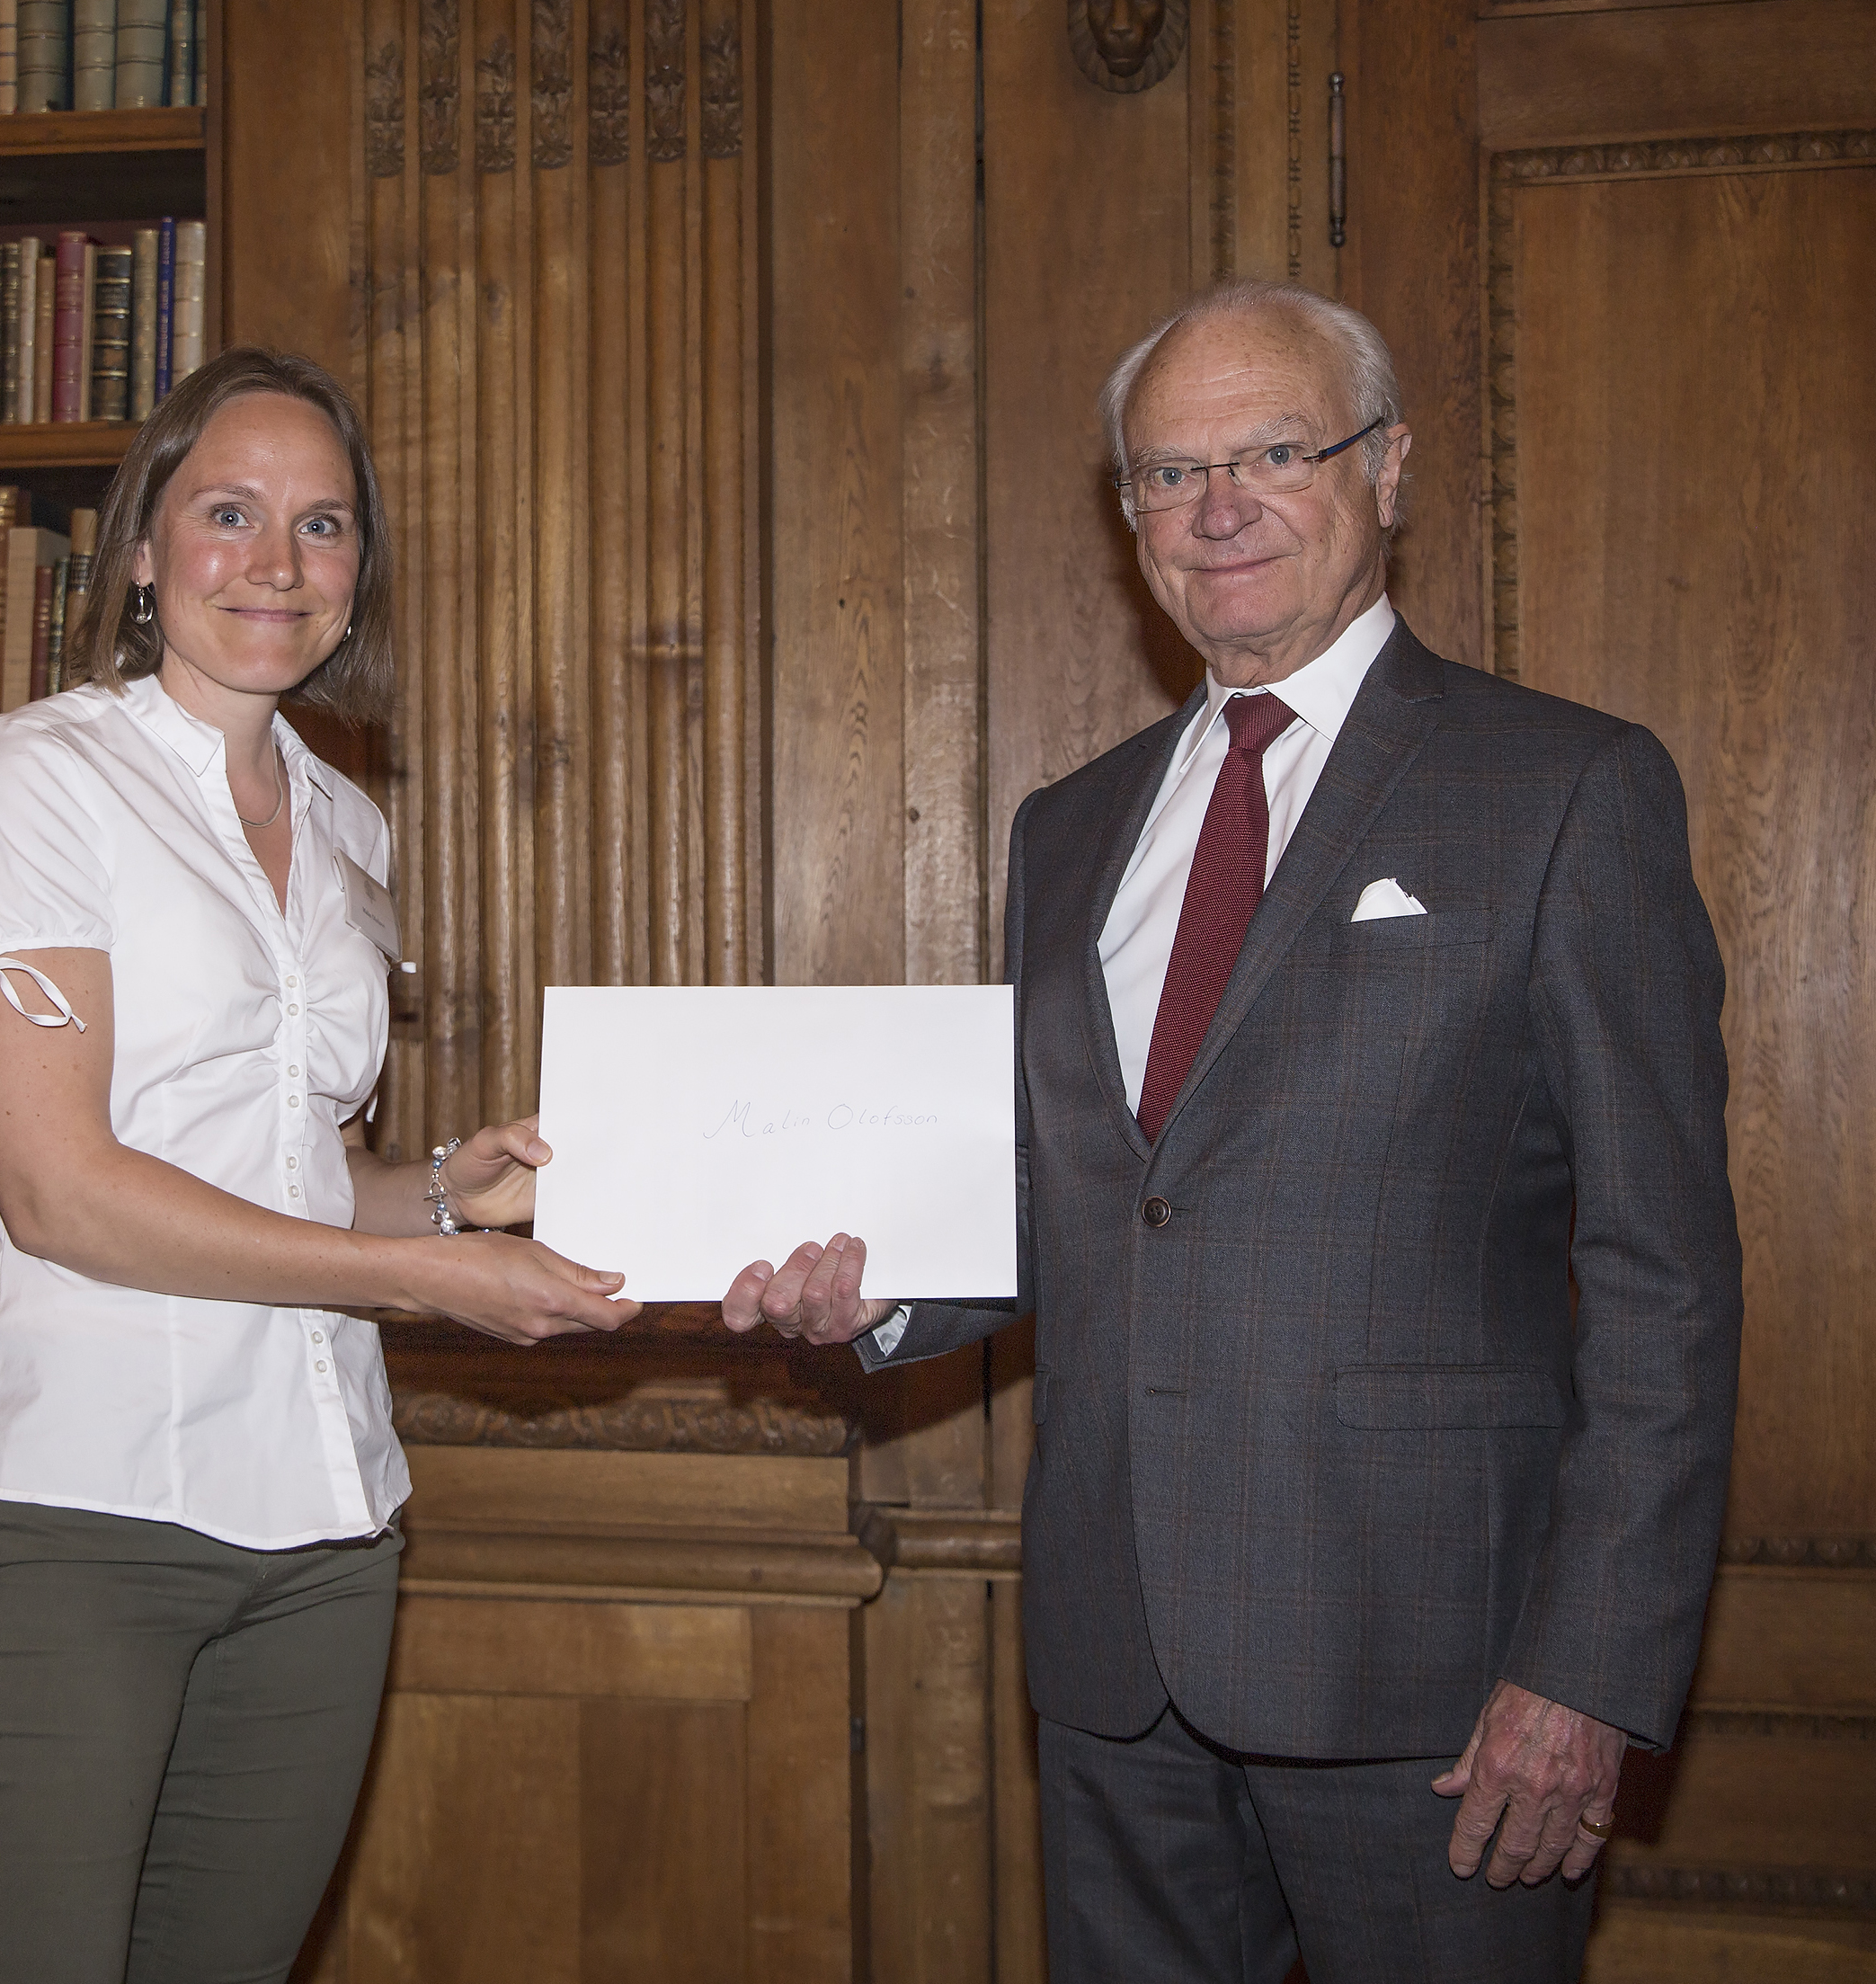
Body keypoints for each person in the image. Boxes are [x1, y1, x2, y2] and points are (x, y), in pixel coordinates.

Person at [725, 282, 1743, 1982]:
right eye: (1166, 472)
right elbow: (1074, 1204)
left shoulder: (1564, 789)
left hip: (1439, 1684)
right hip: (1116, 1676)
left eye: (1275, 450)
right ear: (1129, 518)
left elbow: (1665, 1282)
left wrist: (1586, 1669)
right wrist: (879, 1297)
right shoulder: (1072, 826)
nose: (1218, 507)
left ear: (1389, 468)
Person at [0, 347, 638, 1984]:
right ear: (144, 549)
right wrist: (422, 1274)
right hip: (69, 1529)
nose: (278, 564)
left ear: (359, 574)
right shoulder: (36, 779)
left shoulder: (345, 821)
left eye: (324, 525)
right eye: (229, 513)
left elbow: (292, 1175)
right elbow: (60, 1187)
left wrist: (444, 1191)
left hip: (328, 1530)